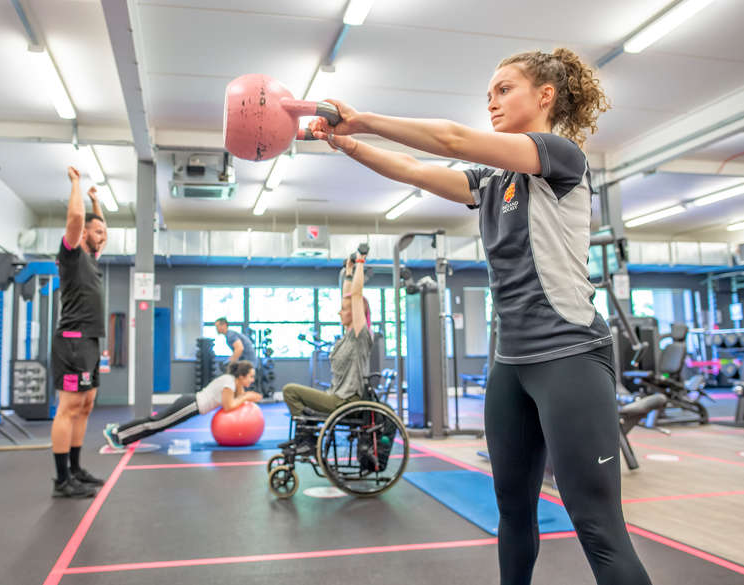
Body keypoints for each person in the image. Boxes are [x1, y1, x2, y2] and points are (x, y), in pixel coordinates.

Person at [307, 49, 650, 585]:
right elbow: (419, 171)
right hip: (511, 366)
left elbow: (450, 140)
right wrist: (346, 143)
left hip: (570, 359)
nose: (490, 101)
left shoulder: (560, 156)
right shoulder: (495, 183)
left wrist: (364, 118)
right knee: (513, 514)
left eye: (503, 89)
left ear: (545, 96)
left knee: (598, 527)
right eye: (488, 93)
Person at [50, 166, 108, 498]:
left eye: (102, 231)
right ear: (83, 233)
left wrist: (97, 204)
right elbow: (75, 219)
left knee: (86, 404)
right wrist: (77, 185)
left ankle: (75, 468)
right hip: (72, 342)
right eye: (96, 230)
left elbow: (98, 229)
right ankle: (61, 480)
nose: (101, 235)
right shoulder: (72, 254)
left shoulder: (93, 259)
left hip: (90, 342)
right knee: (69, 407)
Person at [279, 250, 372, 453]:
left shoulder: (360, 336)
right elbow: (348, 296)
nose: (339, 311)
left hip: (345, 401)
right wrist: (348, 271)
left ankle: (308, 439)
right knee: (294, 392)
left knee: (290, 391)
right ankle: (307, 436)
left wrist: (361, 263)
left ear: (356, 314)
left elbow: (355, 296)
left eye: (344, 309)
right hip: (336, 396)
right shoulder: (347, 335)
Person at [102, 360, 261, 448]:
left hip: (192, 404)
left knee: (159, 424)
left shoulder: (233, 381)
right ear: (241, 376)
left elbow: (237, 397)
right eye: (251, 377)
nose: (252, 380)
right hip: (192, 404)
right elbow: (229, 406)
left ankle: (121, 435)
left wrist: (244, 393)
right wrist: (246, 397)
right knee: (157, 423)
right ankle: (117, 433)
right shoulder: (229, 383)